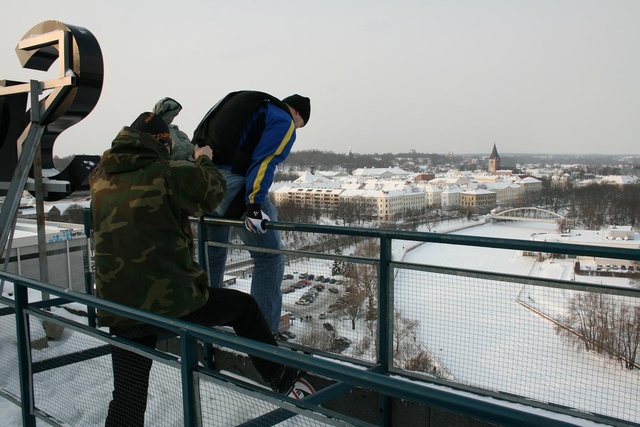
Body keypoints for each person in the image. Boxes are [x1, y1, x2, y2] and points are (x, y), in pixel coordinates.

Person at [90, 112, 311, 427]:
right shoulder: (165, 174)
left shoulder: (100, 177)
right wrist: (203, 159)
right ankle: (284, 377)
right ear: (162, 145)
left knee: (128, 397)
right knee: (244, 308)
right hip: (168, 302)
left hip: (119, 307)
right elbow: (212, 192)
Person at [192, 91, 311, 334]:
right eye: (300, 124)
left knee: (212, 252)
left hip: (205, 182)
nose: (297, 128)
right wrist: (254, 204)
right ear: (297, 113)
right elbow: (265, 161)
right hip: (233, 188)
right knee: (269, 257)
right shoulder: (283, 119)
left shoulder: (253, 107)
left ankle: (204, 325)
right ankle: (262, 337)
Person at [152, 96, 194, 160]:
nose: (172, 116)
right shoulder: (151, 130)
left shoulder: (176, 131)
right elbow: (178, 152)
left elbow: (190, 147)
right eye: (170, 112)